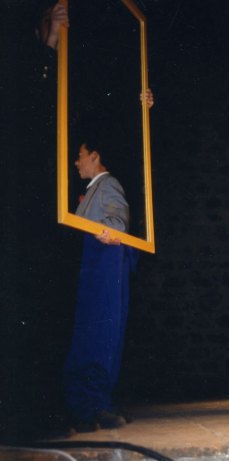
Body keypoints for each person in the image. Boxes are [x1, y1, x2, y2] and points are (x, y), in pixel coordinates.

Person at [62, 138, 138, 432]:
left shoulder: (108, 185)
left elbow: (117, 222)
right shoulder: (93, 190)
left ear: (95, 156)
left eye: (80, 156)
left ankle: (95, 405)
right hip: (90, 270)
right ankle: (86, 405)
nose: (76, 162)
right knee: (88, 339)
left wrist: (108, 231)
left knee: (98, 338)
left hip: (102, 269)